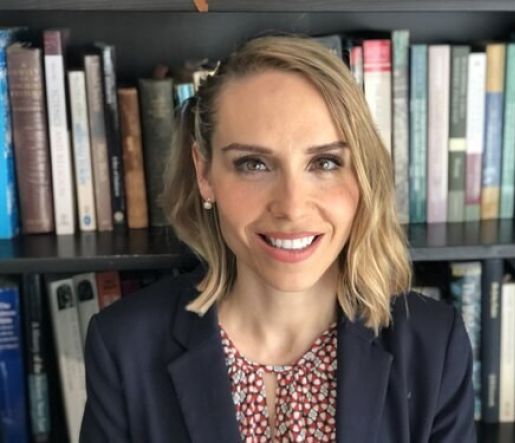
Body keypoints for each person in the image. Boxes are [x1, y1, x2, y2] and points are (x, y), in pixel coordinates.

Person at [80, 35, 476, 442]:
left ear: (362, 174)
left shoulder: (435, 346)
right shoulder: (122, 345)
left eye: (325, 162)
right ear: (204, 173)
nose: (291, 206)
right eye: (253, 164)